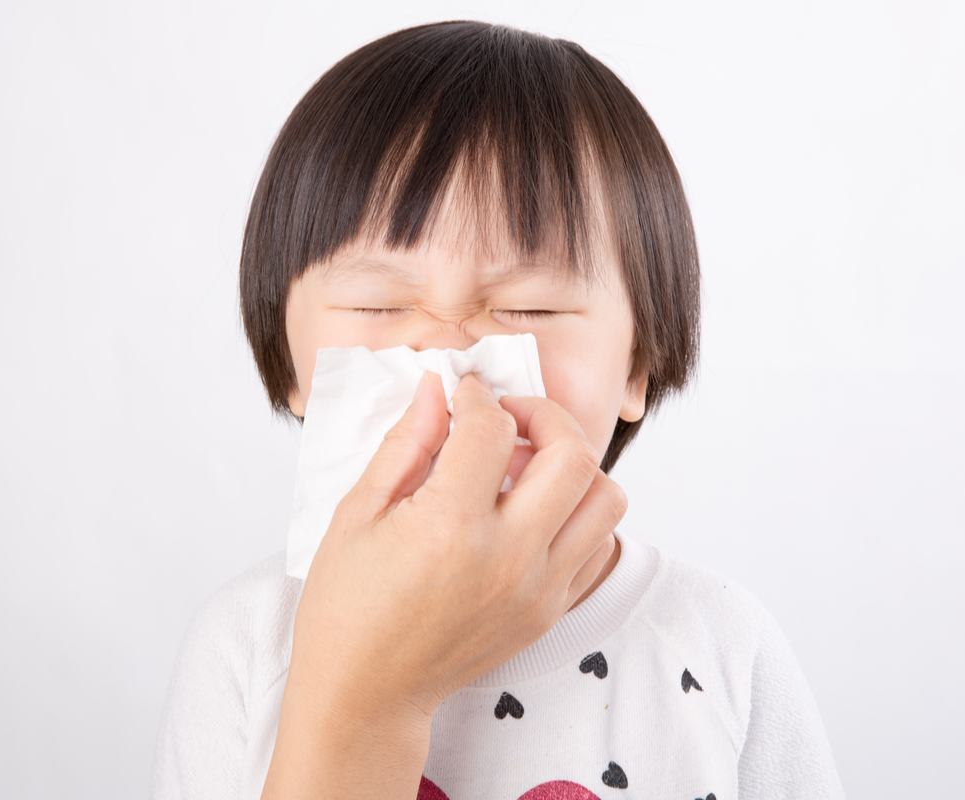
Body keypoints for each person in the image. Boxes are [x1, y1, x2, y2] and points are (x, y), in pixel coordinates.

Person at [152, 21, 843, 800]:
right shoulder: (247, 646)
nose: (449, 355)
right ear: (291, 369)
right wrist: (370, 695)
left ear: (637, 367)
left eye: (529, 309)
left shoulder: (719, 643)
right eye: (379, 304)